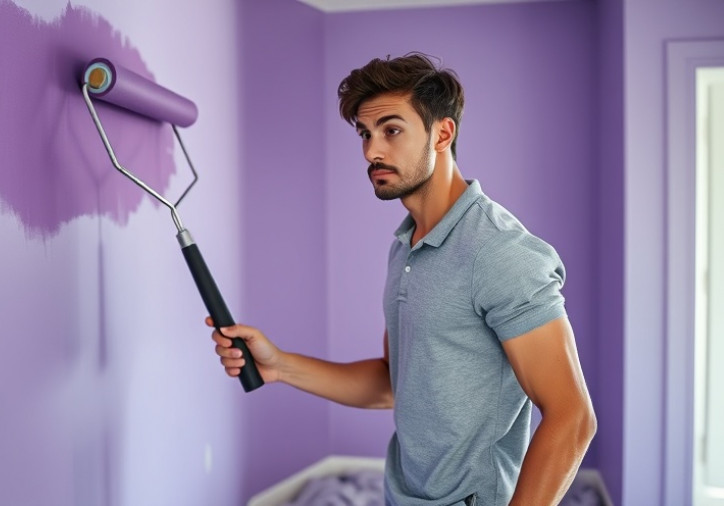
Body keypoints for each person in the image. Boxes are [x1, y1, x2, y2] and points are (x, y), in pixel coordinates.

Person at [209, 52, 596, 506]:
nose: (372, 150)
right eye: (365, 134)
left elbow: (572, 416)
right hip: (402, 494)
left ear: (442, 133)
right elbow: (395, 384)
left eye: (391, 130)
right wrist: (278, 364)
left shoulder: (498, 251)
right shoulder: (407, 244)